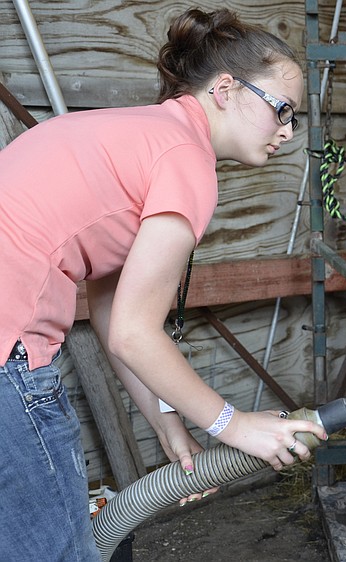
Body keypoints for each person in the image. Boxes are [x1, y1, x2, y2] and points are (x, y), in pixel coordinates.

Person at [0, 8, 327, 561]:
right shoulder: (186, 160)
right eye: (282, 111)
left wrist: (171, 429)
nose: (288, 133)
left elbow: (110, 314)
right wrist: (234, 423)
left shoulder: (141, 136)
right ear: (226, 89)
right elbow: (134, 332)